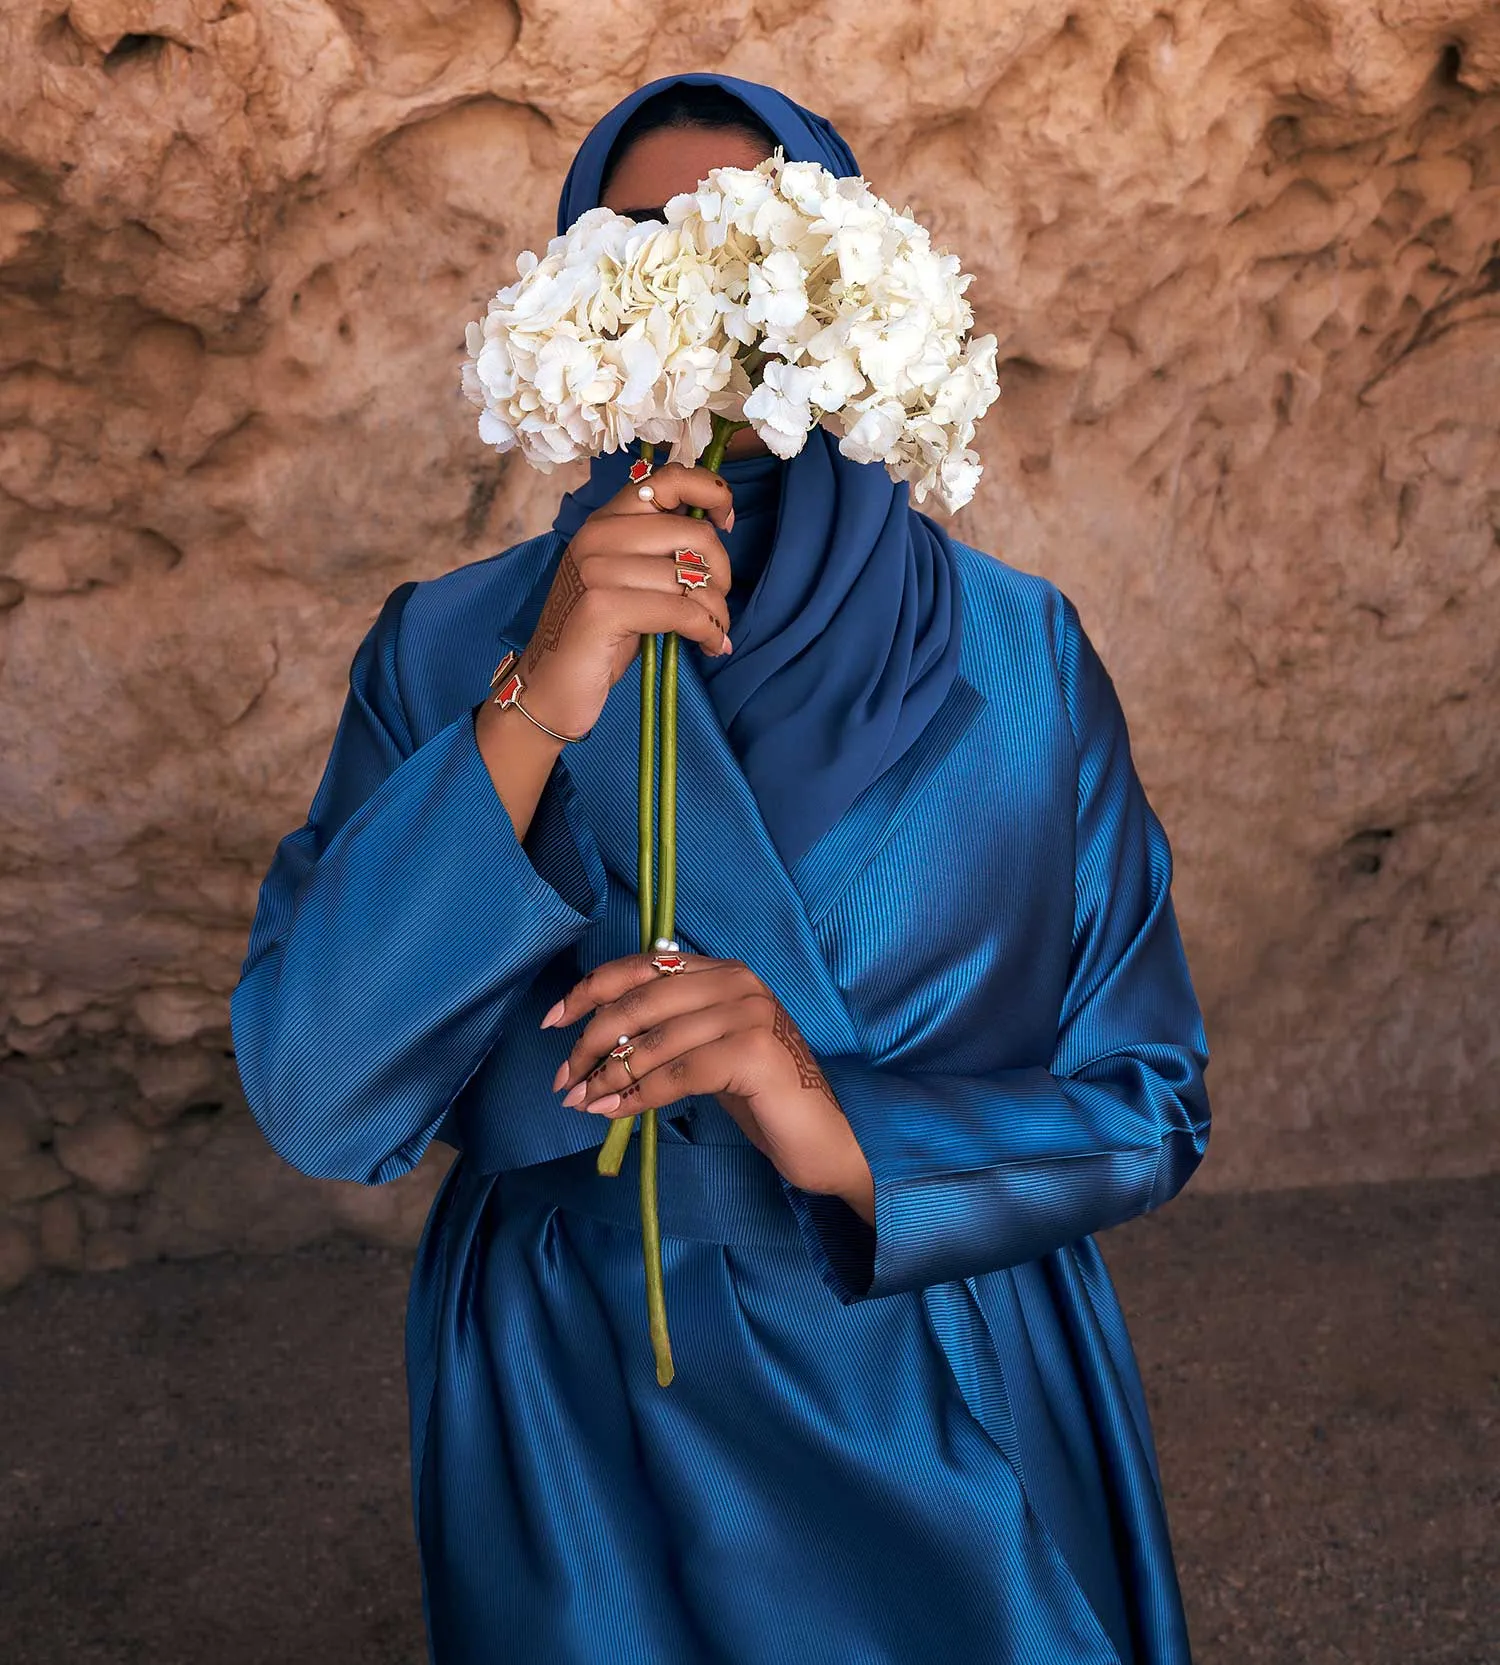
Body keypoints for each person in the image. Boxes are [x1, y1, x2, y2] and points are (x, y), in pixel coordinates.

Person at [230, 71, 1212, 1665]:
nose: (691, 289)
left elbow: (1152, 1098)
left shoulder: (1017, 657)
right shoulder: (444, 651)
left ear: (846, 283)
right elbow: (318, 1088)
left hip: (934, 1374)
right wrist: (542, 697)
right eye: (635, 247)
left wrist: (828, 1115)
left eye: (743, 241)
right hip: (575, 1401)